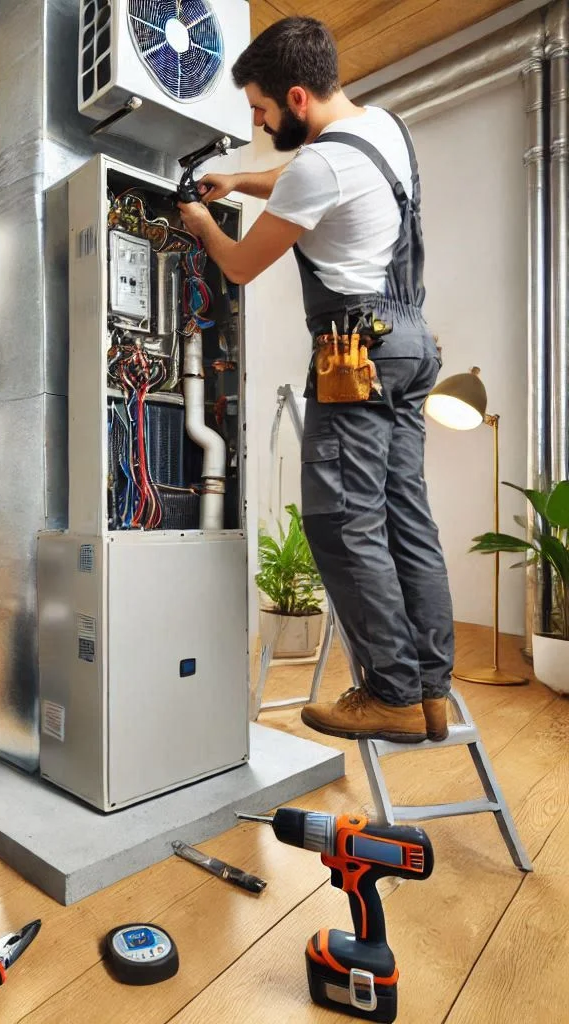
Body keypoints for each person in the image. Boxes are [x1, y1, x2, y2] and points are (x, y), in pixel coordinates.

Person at [177, 16, 454, 744]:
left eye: (263, 112)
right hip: (412, 341)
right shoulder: (382, 127)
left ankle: (389, 693)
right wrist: (239, 177)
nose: (260, 125)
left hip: (351, 349)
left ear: (297, 96)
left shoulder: (312, 169)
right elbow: (310, 181)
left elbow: (237, 265)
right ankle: (430, 690)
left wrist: (203, 221)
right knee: (406, 517)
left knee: (340, 520)